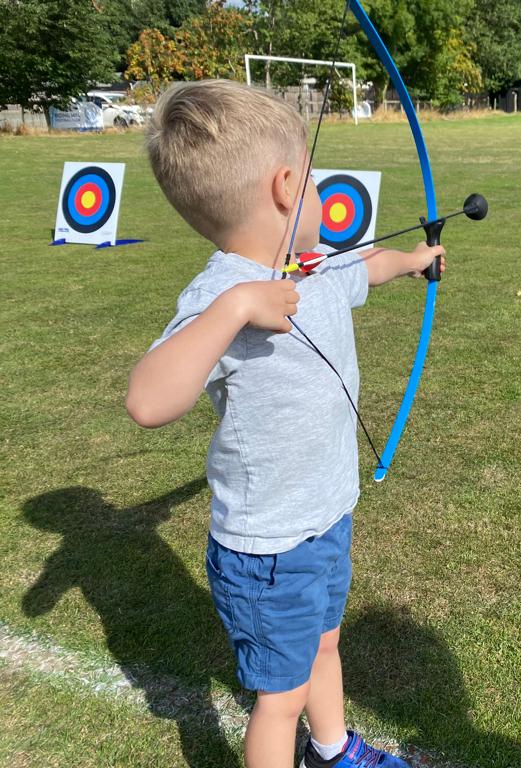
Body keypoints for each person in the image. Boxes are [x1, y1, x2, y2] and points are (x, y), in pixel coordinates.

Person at [125, 79, 444, 768]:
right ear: (286, 186)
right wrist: (237, 307)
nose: (325, 195)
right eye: (318, 181)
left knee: (325, 645)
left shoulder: (315, 267)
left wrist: (417, 260)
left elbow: (369, 263)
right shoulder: (220, 294)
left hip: (325, 519)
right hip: (268, 552)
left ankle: (334, 752)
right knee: (279, 699)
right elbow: (149, 400)